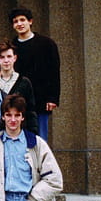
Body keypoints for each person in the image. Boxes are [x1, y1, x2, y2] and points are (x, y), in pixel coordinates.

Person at [9, 7, 60, 140]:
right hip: (18, 100)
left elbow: (54, 71)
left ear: (30, 21)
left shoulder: (47, 44)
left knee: (40, 138)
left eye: (22, 20)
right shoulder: (12, 46)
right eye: (15, 21)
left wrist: (53, 98)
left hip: (41, 99)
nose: (19, 24)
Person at [0, 41, 39, 134]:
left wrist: (33, 133)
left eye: (9, 56)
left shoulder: (24, 82)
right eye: (2, 57)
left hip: (19, 133)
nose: (6, 60)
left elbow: (30, 111)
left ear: (15, 58)